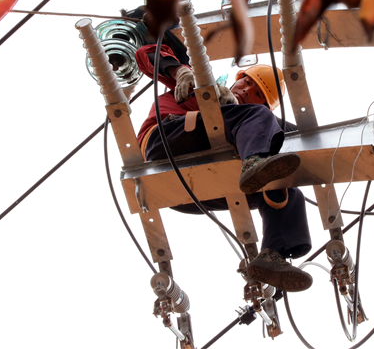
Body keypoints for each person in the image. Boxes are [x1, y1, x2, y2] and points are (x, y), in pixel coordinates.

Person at [134, 39, 313, 292]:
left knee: (287, 191)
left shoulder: (255, 120)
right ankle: (253, 164)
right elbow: (146, 53)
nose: (247, 91)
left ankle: (273, 256)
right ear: (237, 78)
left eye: (259, 94)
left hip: (187, 193)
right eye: (247, 81)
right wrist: (181, 71)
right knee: (257, 125)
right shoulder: (203, 87)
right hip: (166, 143)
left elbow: (298, 135)